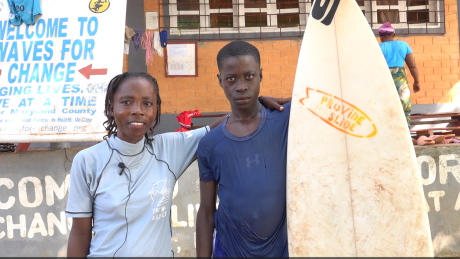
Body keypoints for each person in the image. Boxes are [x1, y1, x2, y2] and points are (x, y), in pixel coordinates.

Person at [65, 71, 288, 257]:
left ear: (156, 111)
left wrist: (255, 104)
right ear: (111, 107)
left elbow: (222, 126)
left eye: (147, 103)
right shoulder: (88, 161)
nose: (137, 110)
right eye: (126, 102)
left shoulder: (168, 149)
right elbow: (81, 234)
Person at [196, 41, 291, 257]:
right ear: (220, 81)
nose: (241, 86)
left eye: (249, 76)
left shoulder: (286, 120)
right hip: (230, 250)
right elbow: (206, 212)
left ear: (260, 75)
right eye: (231, 79)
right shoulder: (210, 145)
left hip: (283, 249)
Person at [379, 22, 420, 127]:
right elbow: (412, 66)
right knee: (405, 108)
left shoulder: (378, 48)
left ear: (381, 36)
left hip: (385, 80)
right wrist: (416, 82)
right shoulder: (403, 45)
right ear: (394, 34)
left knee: (386, 107)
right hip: (401, 80)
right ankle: (405, 133)